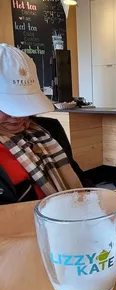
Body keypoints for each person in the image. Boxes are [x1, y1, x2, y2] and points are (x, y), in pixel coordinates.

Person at [0, 44, 91, 205]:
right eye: (7, 107)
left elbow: (77, 177)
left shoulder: (50, 129)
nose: (17, 116)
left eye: (24, 105)